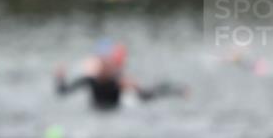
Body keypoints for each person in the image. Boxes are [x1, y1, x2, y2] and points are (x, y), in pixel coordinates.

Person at [55, 40, 186, 110]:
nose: (105, 69)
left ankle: (179, 89)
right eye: (102, 65)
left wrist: (175, 91)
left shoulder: (118, 81)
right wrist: (60, 76)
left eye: (108, 65)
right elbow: (63, 92)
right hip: (97, 112)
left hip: (114, 112)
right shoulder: (90, 80)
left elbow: (147, 95)